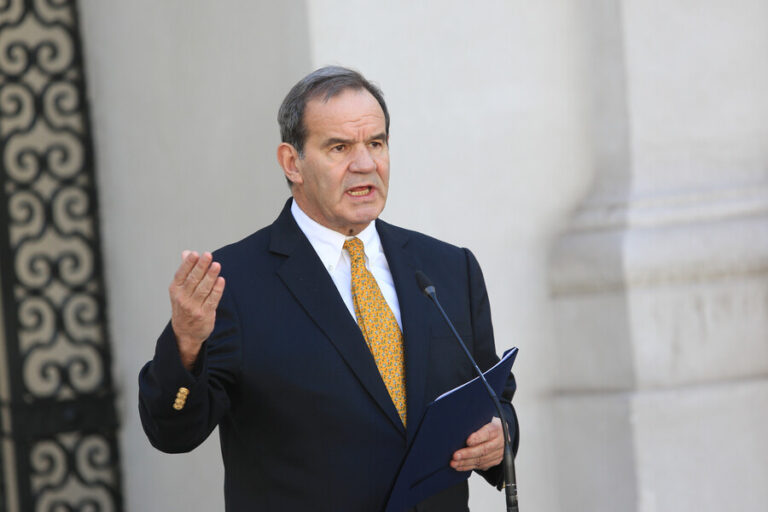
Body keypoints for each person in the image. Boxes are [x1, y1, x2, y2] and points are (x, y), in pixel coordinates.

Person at [139, 66, 518, 511]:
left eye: (376, 143)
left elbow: (494, 400)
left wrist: (501, 436)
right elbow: (172, 432)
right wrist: (186, 344)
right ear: (292, 163)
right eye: (340, 147)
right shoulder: (233, 283)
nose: (365, 164)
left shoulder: (449, 268)